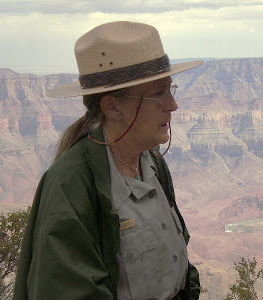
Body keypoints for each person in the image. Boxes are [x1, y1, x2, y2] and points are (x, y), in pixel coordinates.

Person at [13, 21, 203, 300]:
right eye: (159, 93)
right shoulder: (72, 185)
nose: (172, 105)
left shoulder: (151, 163)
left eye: (170, 89)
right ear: (112, 107)